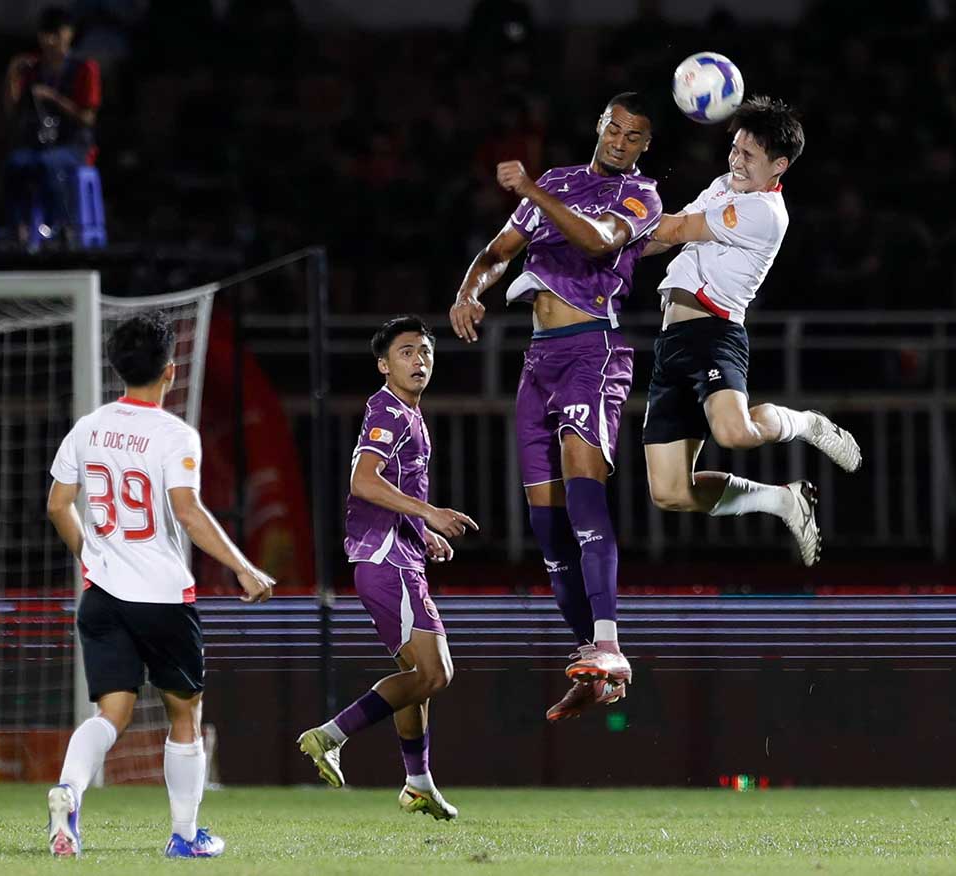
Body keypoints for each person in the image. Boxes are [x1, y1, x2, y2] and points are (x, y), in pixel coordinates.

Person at [449, 93, 663, 722]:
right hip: (538, 361)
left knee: (583, 497)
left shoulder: (640, 195)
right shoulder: (559, 181)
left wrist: (534, 192)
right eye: (614, 128)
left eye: (634, 135)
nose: (620, 141)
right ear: (599, 125)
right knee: (546, 528)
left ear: (645, 145)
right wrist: (467, 292)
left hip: (593, 351)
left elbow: (598, 242)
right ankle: (592, 661)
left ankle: (611, 645)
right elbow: (498, 252)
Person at [46, 312, 275, 859]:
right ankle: (185, 836)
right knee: (185, 714)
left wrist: (90, 554)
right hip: (163, 600)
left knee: (111, 714)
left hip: (101, 597)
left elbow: (57, 505)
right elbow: (187, 511)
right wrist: (243, 567)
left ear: (117, 367)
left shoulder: (88, 427)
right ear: (171, 370)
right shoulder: (173, 434)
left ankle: (68, 792)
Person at [641, 95, 861, 564]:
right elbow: (661, 235)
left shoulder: (765, 212)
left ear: (779, 165)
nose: (736, 162)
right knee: (671, 492)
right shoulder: (723, 185)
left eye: (749, 155)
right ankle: (782, 500)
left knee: (735, 433)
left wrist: (606, 230)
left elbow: (675, 230)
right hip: (672, 344)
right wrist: (603, 250)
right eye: (734, 149)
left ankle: (807, 423)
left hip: (713, 334)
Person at [297, 316, 477, 821]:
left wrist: (423, 532)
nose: (418, 360)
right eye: (406, 352)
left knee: (417, 677)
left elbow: (390, 489)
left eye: (425, 352)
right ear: (383, 365)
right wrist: (430, 513)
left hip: (399, 556)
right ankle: (330, 735)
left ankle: (418, 783)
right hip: (386, 561)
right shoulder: (389, 411)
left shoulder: (407, 414)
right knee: (436, 673)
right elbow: (363, 481)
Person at [3, 6, 101, 247]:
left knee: (47, 165)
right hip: (41, 143)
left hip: (74, 146)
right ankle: (19, 229)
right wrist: (12, 74)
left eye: (55, 34)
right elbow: (12, 111)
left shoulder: (84, 68)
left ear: (68, 34)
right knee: (15, 163)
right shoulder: (33, 69)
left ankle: (60, 227)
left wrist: (53, 98)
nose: (49, 41)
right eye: (45, 35)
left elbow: (88, 118)